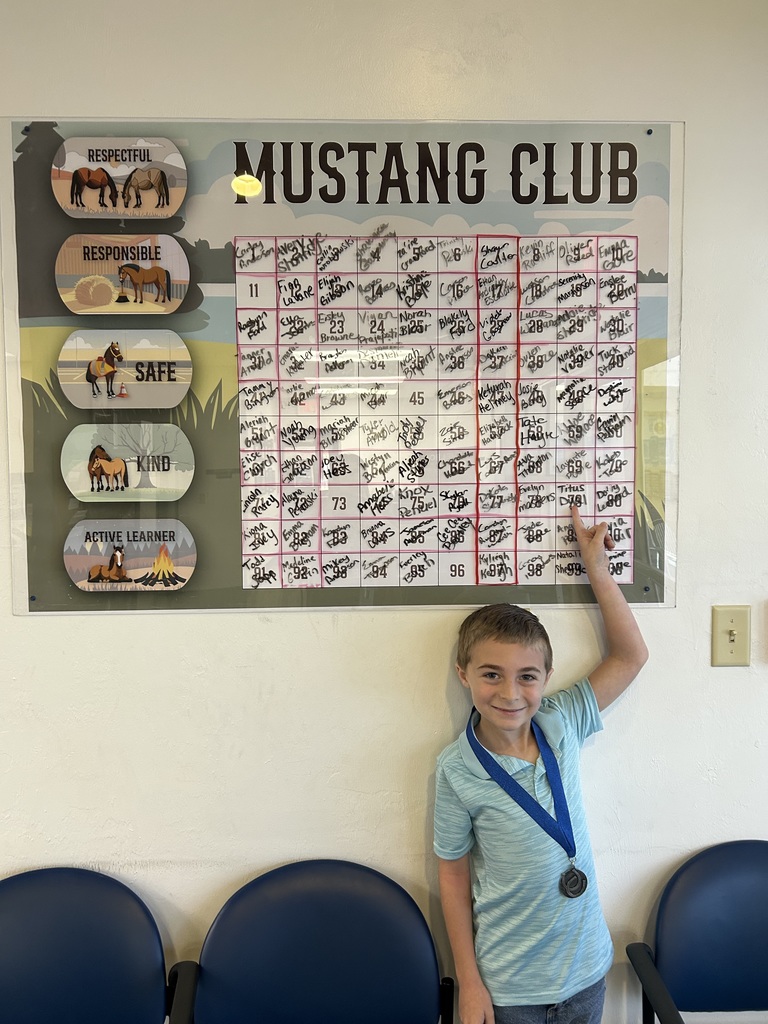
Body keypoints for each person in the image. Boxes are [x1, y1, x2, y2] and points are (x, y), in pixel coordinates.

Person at [434, 506, 648, 1024]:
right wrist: (469, 982)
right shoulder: (457, 770)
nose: (510, 693)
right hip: (509, 988)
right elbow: (453, 876)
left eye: (527, 676)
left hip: (587, 972)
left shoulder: (561, 721)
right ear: (463, 674)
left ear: (547, 677)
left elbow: (630, 656)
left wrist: (597, 570)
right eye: (491, 674)